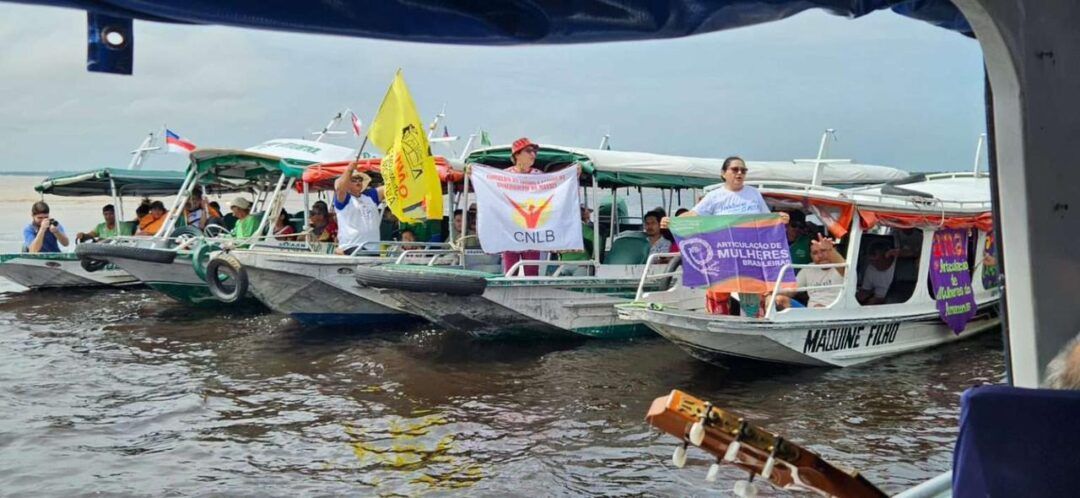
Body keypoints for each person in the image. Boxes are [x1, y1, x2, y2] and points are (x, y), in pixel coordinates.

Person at [660, 156, 789, 315]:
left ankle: (755, 325)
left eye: (743, 170)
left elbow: (767, 220)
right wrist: (673, 221)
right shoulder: (715, 196)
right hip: (722, 255)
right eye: (735, 169)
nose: (739, 173)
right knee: (718, 293)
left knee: (752, 300)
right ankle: (717, 322)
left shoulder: (754, 194)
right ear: (723, 173)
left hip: (749, 256)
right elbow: (694, 214)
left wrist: (780, 218)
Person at [499, 137, 545, 276]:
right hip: (510, 232)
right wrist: (471, 171)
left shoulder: (540, 175)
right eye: (529, 151)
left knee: (532, 273)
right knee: (510, 272)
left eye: (535, 151)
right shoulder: (503, 175)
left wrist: (574, 172)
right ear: (517, 154)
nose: (533, 155)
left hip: (532, 232)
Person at [775, 234, 846, 310]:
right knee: (780, 299)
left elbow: (845, 269)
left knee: (818, 308)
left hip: (836, 314)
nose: (820, 256)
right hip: (810, 314)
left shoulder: (843, 266)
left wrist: (830, 250)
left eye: (823, 251)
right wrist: (769, 293)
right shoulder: (808, 268)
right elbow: (792, 290)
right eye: (815, 253)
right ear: (811, 256)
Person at [333, 161, 384, 255]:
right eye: (353, 180)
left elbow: (389, 188)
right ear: (347, 183)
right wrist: (349, 170)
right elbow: (340, 188)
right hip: (352, 247)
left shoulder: (370, 196)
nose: (358, 182)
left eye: (360, 179)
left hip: (374, 248)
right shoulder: (344, 199)